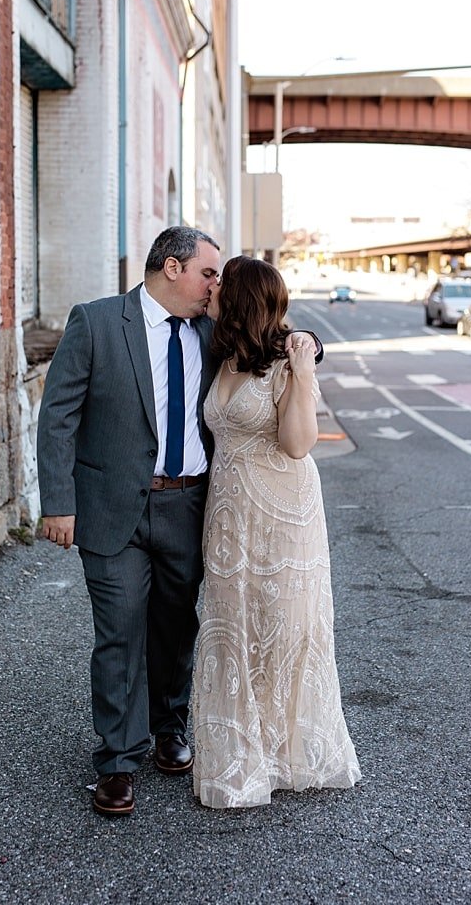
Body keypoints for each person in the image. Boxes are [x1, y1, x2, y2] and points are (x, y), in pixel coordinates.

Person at [37, 226, 222, 816]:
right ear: (172, 267)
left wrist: (307, 343)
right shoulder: (95, 322)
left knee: (175, 628)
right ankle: (117, 760)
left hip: (187, 506)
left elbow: (271, 343)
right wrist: (58, 503)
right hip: (112, 508)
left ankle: (168, 727)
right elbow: (58, 416)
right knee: (119, 631)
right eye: (208, 273)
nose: (214, 285)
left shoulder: (212, 331)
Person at [190, 255, 360, 808]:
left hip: (284, 513)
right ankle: (243, 753)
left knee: (283, 628)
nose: (211, 289)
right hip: (229, 514)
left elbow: (297, 444)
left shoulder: (287, 361)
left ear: (239, 298)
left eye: (220, 283)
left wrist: (305, 374)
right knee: (233, 625)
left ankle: (288, 754)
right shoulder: (223, 352)